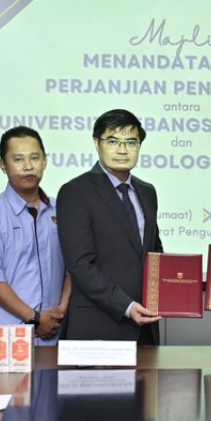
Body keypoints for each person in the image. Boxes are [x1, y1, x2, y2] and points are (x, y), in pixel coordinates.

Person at [57, 109, 162, 344]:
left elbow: (154, 252)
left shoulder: (147, 192)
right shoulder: (75, 192)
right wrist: (126, 305)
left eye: (131, 142)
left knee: (147, 382)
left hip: (146, 325)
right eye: (113, 141)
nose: (123, 150)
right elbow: (80, 265)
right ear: (97, 143)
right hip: (99, 326)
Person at [0, 126, 70, 345]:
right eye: (18, 159)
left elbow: (72, 268)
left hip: (54, 333)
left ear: (45, 161)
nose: (28, 167)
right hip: (7, 338)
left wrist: (61, 311)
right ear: (3, 165)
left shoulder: (61, 210)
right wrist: (35, 319)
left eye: (35, 158)